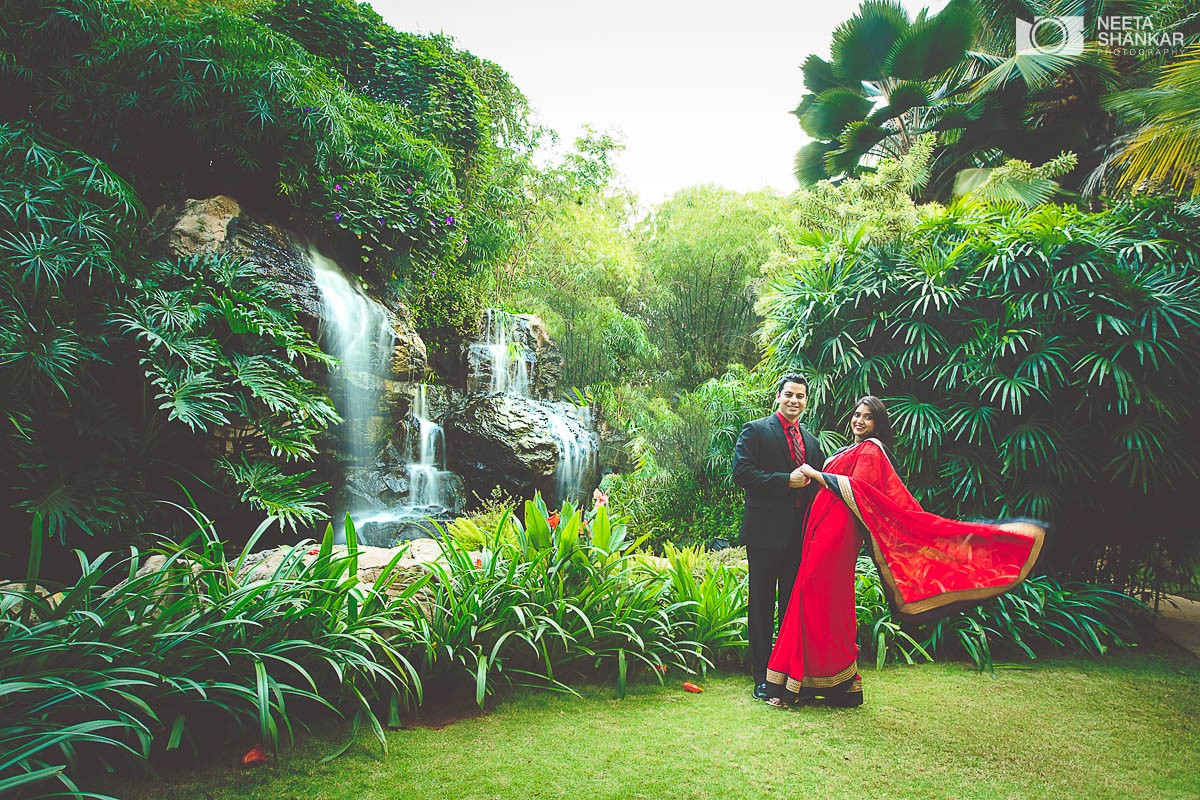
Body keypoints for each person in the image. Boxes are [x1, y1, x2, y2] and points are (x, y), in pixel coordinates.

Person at [765, 396, 1046, 708]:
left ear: (878, 424)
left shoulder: (872, 450)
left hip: (837, 537)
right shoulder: (851, 450)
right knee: (819, 603)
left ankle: (805, 685)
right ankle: (829, 685)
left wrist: (815, 474)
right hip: (821, 534)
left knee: (816, 600)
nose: (859, 421)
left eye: (868, 417)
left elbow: (859, 491)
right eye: (857, 414)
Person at [732, 374, 826, 701]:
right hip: (763, 534)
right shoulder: (756, 430)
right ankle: (760, 675)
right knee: (761, 605)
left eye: (800, 396)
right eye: (789, 395)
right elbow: (742, 473)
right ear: (778, 396)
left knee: (790, 607)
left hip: (798, 538)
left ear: (806, 401)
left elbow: (818, 490)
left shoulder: (812, 443)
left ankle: (783, 672)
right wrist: (786, 480)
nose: (794, 401)